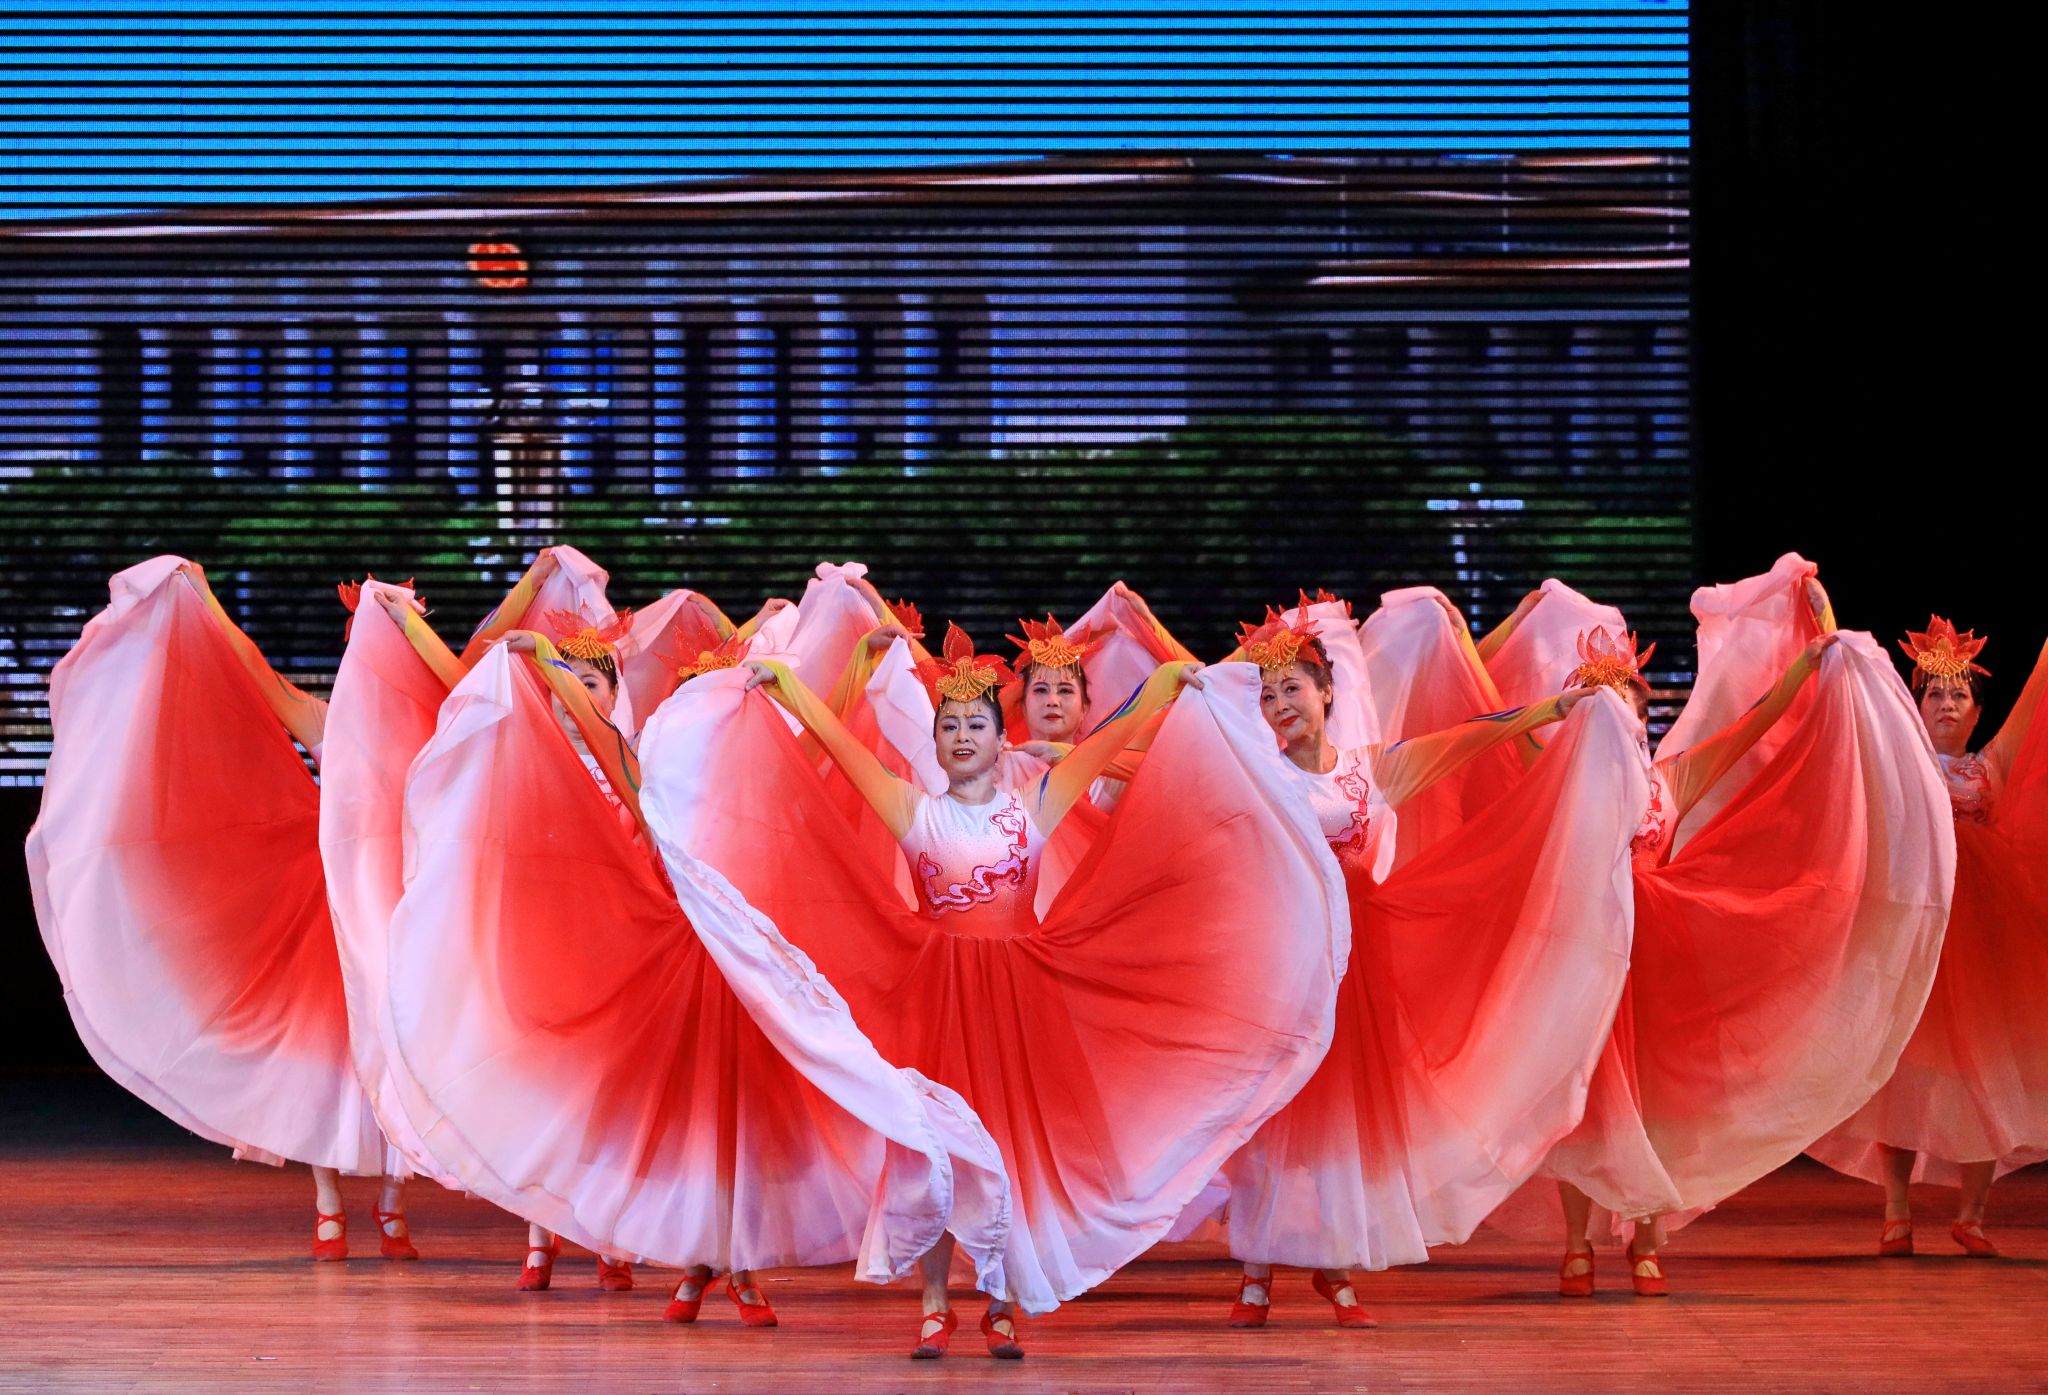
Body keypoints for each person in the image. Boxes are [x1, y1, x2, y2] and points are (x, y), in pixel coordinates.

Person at [1810, 617, 2048, 1257]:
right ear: (1915, 706)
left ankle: (1973, 1215)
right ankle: (1896, 1211)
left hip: (1984, 933)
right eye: (1935, 694)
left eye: (1960, 695)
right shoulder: (1901, 759)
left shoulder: (1988, 766)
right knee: (1902, 1067)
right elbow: (1855, 711)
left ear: (1978, 712)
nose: (1947, 704)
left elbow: (2036, 702)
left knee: (1984, 1067)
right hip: (1916, 927)